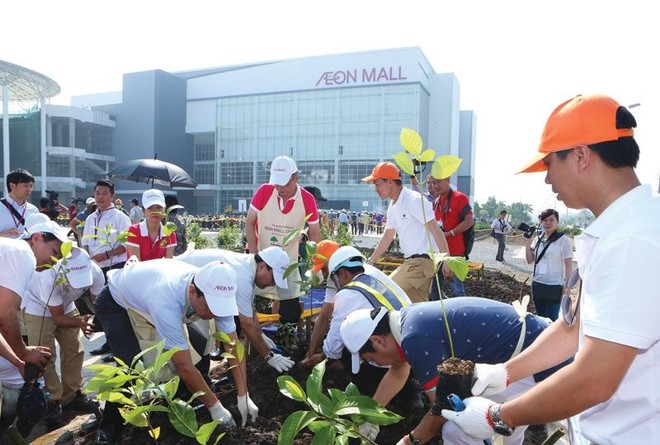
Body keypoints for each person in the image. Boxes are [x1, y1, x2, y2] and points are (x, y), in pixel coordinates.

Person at [441, 94, 660, 443]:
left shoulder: (634, 240)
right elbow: (570, 328)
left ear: (580, 156)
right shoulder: (613, 233)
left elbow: (594, 379)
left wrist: (499, 415)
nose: (547, 181)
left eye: (548, 165)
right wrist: (506, 373)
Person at [340, 298, 572, 445]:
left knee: (456, 429)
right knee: (505, 427)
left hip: (538, 361)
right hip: (539, 349)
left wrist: (409, 441)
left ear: (378, 341)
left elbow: (442, 410)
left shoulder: (415, 339)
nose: (377, 365)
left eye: (370, 359)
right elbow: (398, 371)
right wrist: (369, 418)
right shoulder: (406, 321)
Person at [93, 260, 257, 444]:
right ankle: (109, 427)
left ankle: (184, 399)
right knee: (131, 369)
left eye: (219, 308)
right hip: (117, 302)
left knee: (201, 346)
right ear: (193, 291)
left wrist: (244, 395)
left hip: (150, 294)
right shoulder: (167, 300)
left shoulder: (216, 292)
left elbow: (233, 347)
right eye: (210, 307)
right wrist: (216, 408)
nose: (214, 314)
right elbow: (183, 366)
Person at [301, 246, 417, 427]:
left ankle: (372, 396)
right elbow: (324, 315)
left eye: (331, 275)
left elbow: (335, 339)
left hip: (391, 356)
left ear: (343, 273)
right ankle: (410, 392)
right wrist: (312, 350)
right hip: (411, 346)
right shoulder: (370, 274)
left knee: (351, 349)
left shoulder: (349, 292)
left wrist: (323, 359)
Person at [175, 246, 296, 372]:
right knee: (191, 346)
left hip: (197, 292)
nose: (272, 284)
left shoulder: (248, 267)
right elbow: (247, 324)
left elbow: (250, 309)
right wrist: (269, 356)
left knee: (203, 344)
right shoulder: (243, 277)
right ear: (261, 266)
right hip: (180, 286)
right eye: (273, 279)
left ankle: (201, 378)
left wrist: (260, 334)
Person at [23, 246, 103, 428]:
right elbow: (57, 317)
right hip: (39, 308)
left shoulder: (96, 272)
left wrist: (96, 321)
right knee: (45, 356)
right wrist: (80, 324)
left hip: (66, 306)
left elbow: (98, 301)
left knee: (75, 349)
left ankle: (72, 395)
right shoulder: (48, 276)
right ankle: (52, 400)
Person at [245, 156, 320, 338]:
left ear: (296, 178)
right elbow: (249, 222)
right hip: (261, 259)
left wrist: (316, 266)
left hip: (289, 263)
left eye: (284, 184)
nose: (279, 189)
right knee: (245, 300)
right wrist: (254, 254)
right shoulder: (265, 191)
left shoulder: (307, 200)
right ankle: (244, 337)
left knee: (290, 310)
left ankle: (285, 341)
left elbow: (315, 234)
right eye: (276, 184)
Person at [362, 161, 450, 303]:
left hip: (421, 263)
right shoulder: (393, 206)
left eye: (377, 184)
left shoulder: (414, 200)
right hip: (414, 264)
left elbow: (436, 230)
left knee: (384, 292)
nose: (376, 189)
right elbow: (387, 236)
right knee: (415, 312)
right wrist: (371, 260)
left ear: (389, 182)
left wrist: (446, 260)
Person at [0, 219, 68, 374]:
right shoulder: (23, 253)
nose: (54, 261)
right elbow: (5, 316)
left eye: (59, 258)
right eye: (55, 252)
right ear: (36, 238)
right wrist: (23, 353)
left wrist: (18, 361)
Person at [428, 161, 475, 299]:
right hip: (439, 253)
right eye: (433, 183)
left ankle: (461, 316)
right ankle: (440, 317)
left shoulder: (459, 198)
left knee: (457, 290)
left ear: (447, 180)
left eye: (438, 182)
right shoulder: (436, 202)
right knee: (435, 289)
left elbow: (469, 221)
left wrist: (450, 233)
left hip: (454, 252)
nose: (435, 185)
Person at [523, 208, 573, 320]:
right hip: (537, 283)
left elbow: (568, 264)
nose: (548, 223)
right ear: (541, 222)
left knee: (551, 319)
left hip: (554, 286)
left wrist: (568, 286)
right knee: (540, 318)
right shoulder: (537, 239)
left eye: (551, 220)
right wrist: (527, 244)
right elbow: (530, 261)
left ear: (557, 221)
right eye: (545, 220)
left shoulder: (564, 240)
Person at [82, 180, 131, 275]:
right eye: (97, 193)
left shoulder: (120, 217)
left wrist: (107, 255)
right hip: (94, 268)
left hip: (115, 267)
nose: (100, 197)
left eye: (105, 193)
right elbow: (85, 242)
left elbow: (127, 244)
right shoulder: (90, 218)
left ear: (112, 196)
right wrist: (87, 257)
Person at [126, 189, 176, 261]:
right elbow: (136, 265)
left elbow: (168, 264)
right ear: (143, 210)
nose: (155, 211)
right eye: (150, 208)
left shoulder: (170, 234)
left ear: (164, 209)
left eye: (159, 207)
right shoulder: (133, 231)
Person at [0, 169, 39, 239]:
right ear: (12, 186)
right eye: (25, 185)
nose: (29, 189)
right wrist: (2, 235)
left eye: (31, 186)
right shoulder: (1, 207)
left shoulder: (33, 210)